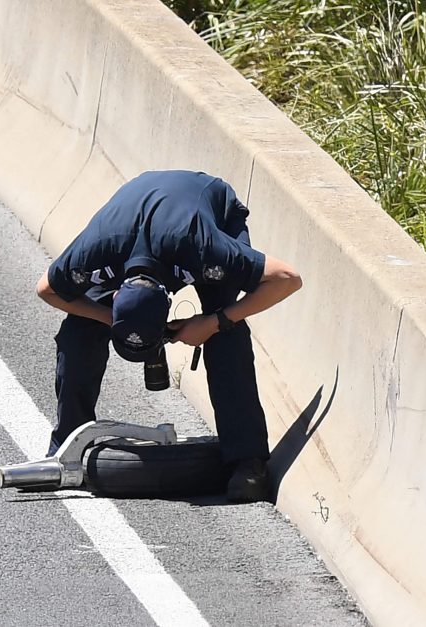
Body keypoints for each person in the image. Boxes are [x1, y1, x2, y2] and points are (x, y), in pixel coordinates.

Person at [35, 170, 302, 502]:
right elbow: (46, 288)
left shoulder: (204, 246)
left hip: (205, 212)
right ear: (116, 294)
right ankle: (67, 442)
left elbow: (288, 279)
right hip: (129, 229)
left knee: (226, 334)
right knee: (79, 330)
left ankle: (248, 461)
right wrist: (107, 317)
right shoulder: (99, 249)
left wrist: (213, 321)